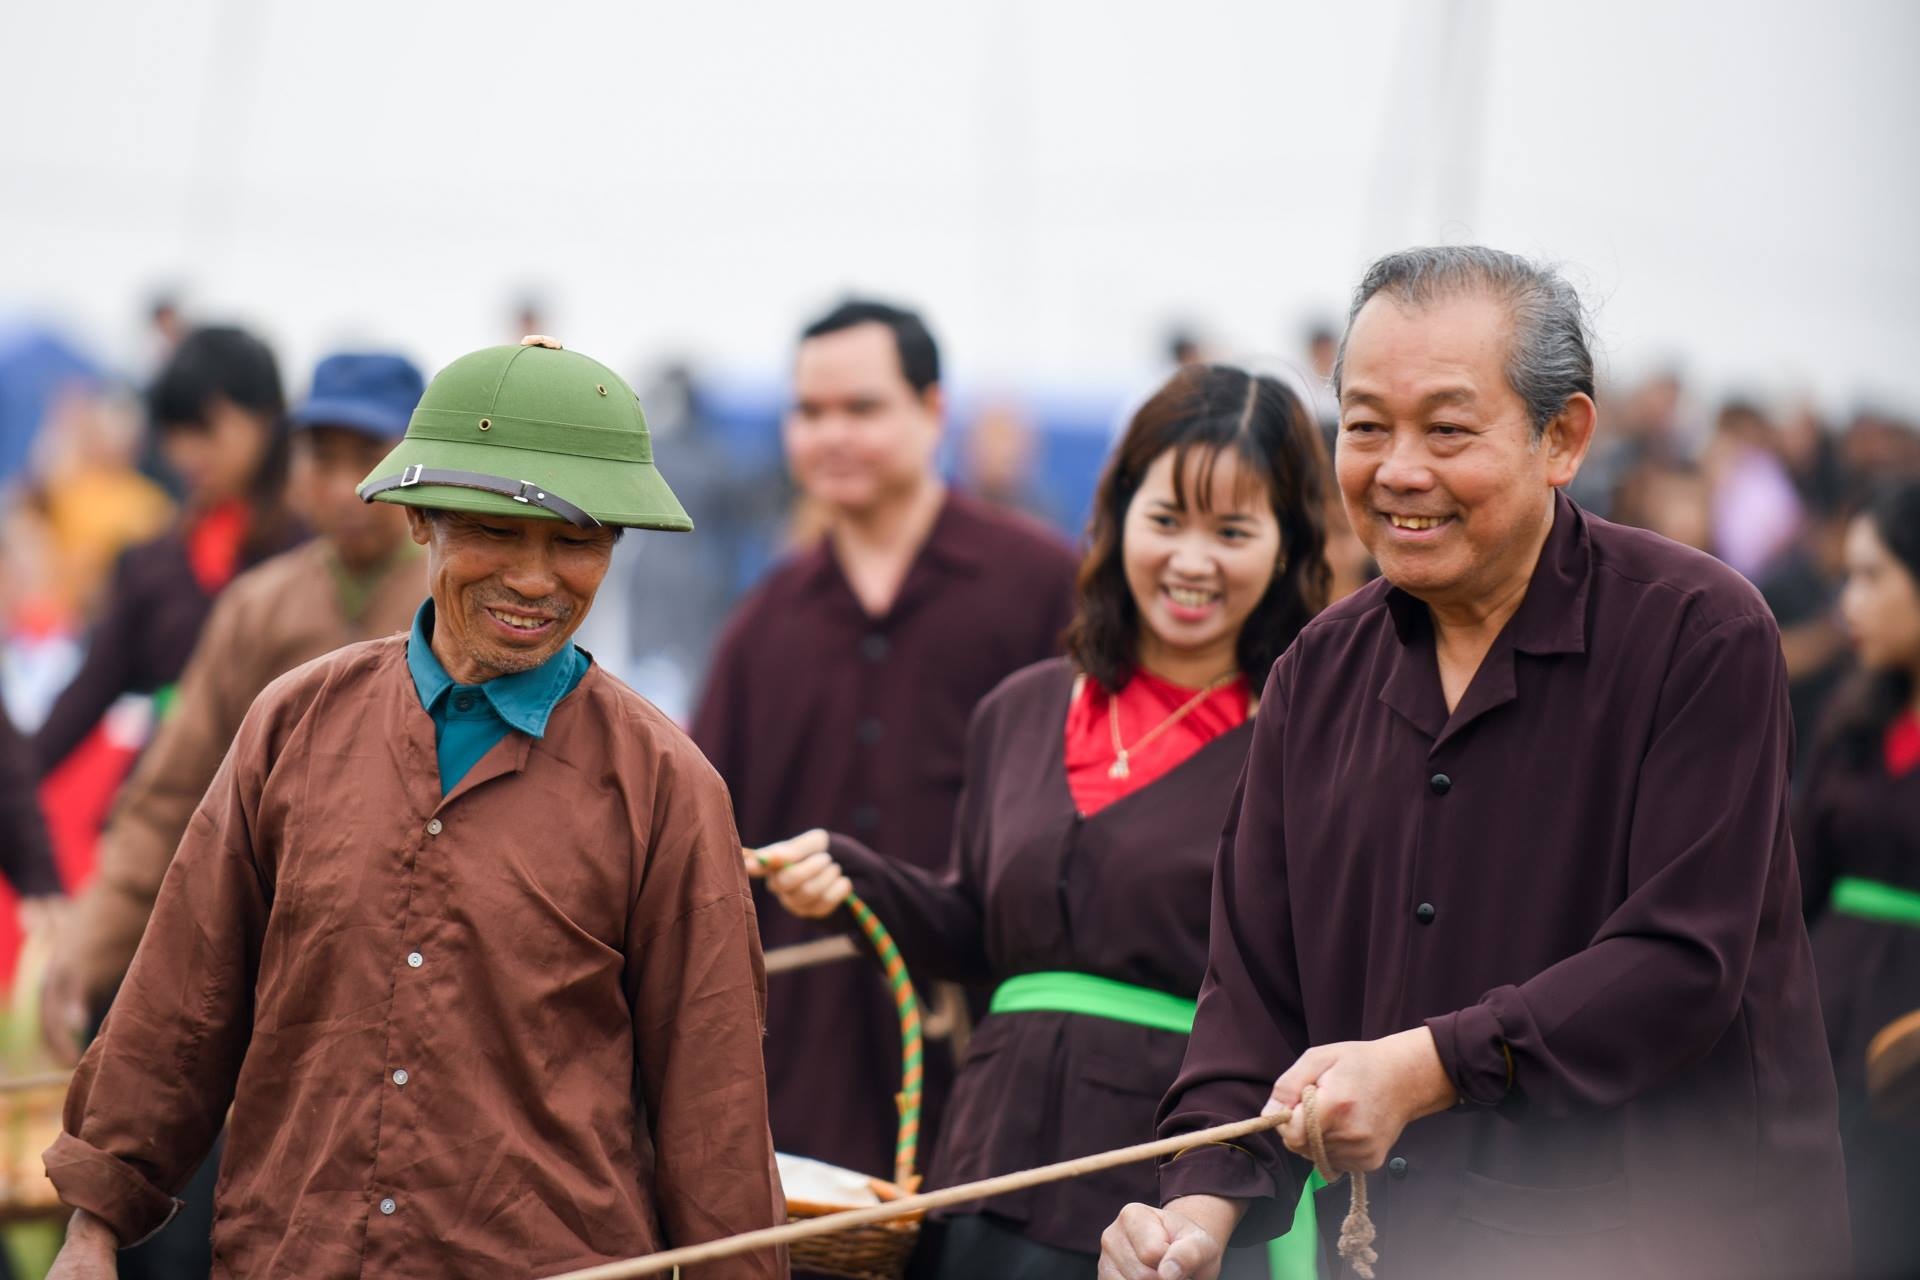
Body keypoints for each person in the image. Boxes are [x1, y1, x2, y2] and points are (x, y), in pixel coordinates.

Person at [1100, 247, 1847, 1280]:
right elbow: (1252, 994)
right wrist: (1197, 1205)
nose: (1398, 470)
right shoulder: (1318, 671)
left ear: (1563, 437)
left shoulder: (1697, 631)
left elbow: (1682, 958)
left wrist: (1426, 1065)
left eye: (1447, 428)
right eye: (1365, 426)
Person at [42, 337, 783, 1279]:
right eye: (497, 533)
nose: (534, 579)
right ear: (420, 521)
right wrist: (95, 1223)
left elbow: (714, 1105)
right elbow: (182, 1001)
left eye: (576, 542)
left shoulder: (667, 789)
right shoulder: (294, 725)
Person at [753, 363, 1331, 1280]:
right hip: (988, 1162)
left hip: (1173, 1195)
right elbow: (977, 935)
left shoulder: (1310, 740)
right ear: (1116, 517)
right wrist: (857, 878)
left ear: (1290, 546)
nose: (1192, 560)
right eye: (1167, 519)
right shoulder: (1021, 710)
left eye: (1232, 530)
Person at [693, 298, 1080, 1184]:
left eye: (861, 408)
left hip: (999, 1046)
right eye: (810, 411)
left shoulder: (1043, 587)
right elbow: (708, 832)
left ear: (933, 412)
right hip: (805, 1053)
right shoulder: (765, 621)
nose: (832, 434)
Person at [40, 351, 432, 1067]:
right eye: (322, 456)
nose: (344, 486)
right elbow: (170, 797)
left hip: (418, 979)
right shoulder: (258, 607)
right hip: (269, 972)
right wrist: (88, 945)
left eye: (369, 457)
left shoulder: (454, 607)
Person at [32, 326, 303, 775]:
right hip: (171, 802)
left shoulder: (314, 553)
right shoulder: (154, 563)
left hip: (280, 799)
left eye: (206, 428)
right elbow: (85, 695)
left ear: (268, 418)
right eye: (176, 433)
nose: (188, 453)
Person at [1796, 478, 1920, 1279]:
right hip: (1822, 1033)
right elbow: (1795, 877)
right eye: (1847, 576)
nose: (1851, 602)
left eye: (1874, 577)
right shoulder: (1853, 717)